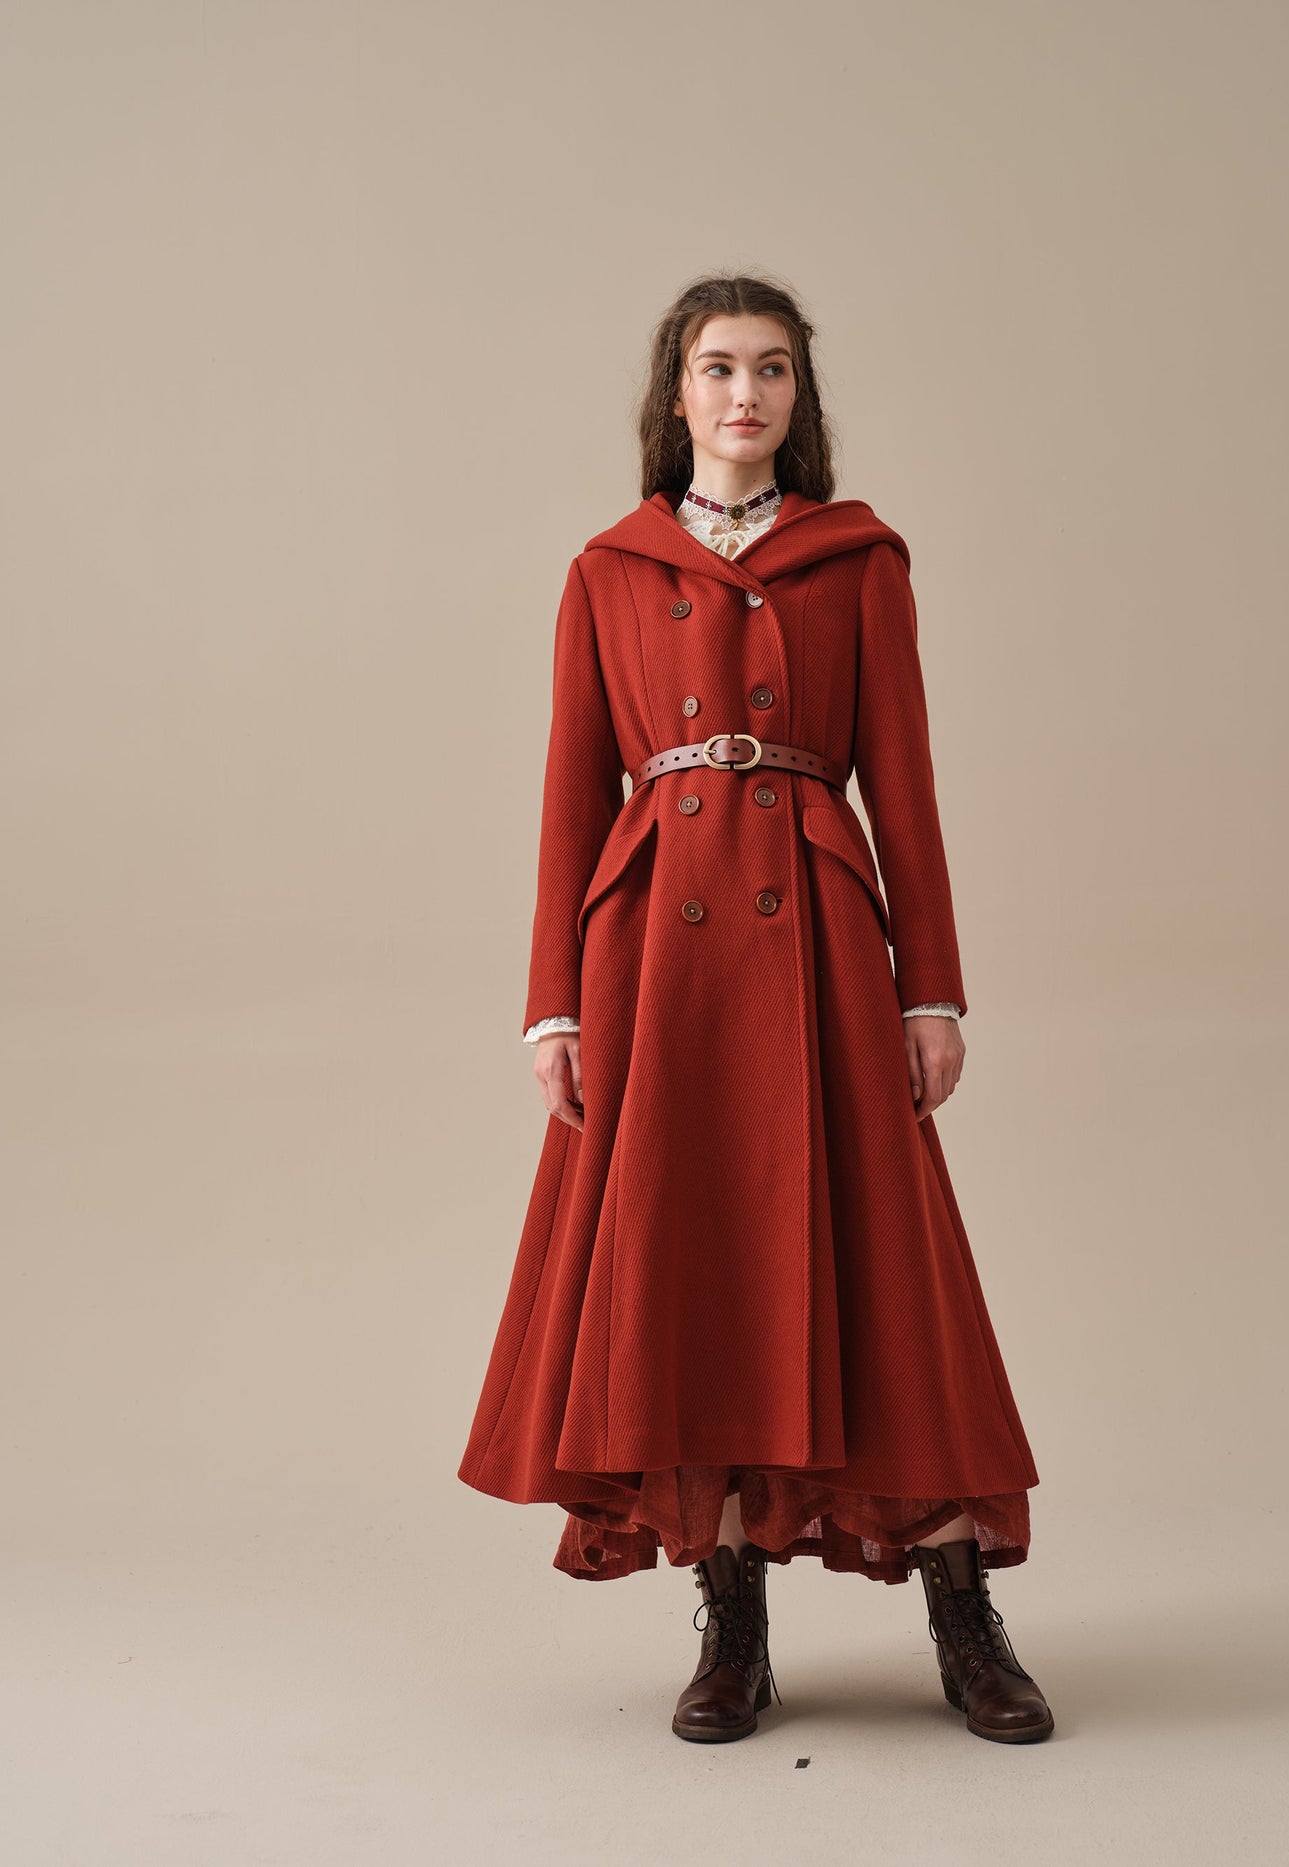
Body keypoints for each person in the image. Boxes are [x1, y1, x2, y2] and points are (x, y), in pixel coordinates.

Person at [458, 272, 1054, 1746]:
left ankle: (962, 1613)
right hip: (656, 950)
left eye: (773, 368)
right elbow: (568, 795)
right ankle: (733, 1625)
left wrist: (932, 989)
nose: (746, 393)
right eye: (720, 367)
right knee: (689, 1265)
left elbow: (904, 785)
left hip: (820, 940)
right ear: (677, 394)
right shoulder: (608, 569)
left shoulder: (858, 562)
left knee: (886, 1261)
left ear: (800, 395)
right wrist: (552, 1009)